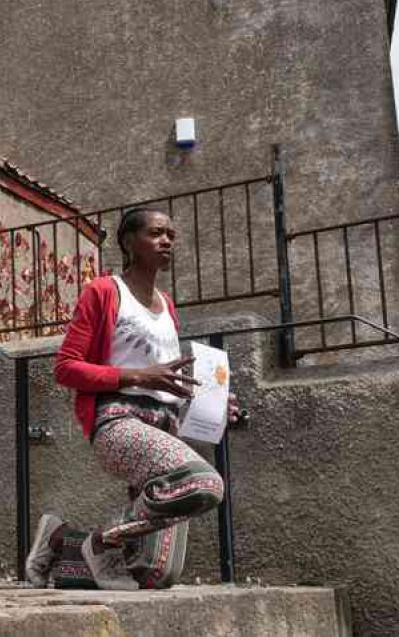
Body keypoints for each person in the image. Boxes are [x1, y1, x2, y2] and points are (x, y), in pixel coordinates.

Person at [25, 207, 240, 591]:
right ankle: (99, 544)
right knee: (205, 485)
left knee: (154, 574)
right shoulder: (104, 292)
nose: (167, 241)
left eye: (172, 234)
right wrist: (136, 375)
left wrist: (212, 403)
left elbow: (165, 382)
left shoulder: (167, 304)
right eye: (156, 233)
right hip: (118, 423)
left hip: (165, 427)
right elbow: (66, 367)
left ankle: (59, 539)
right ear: (128, 241)